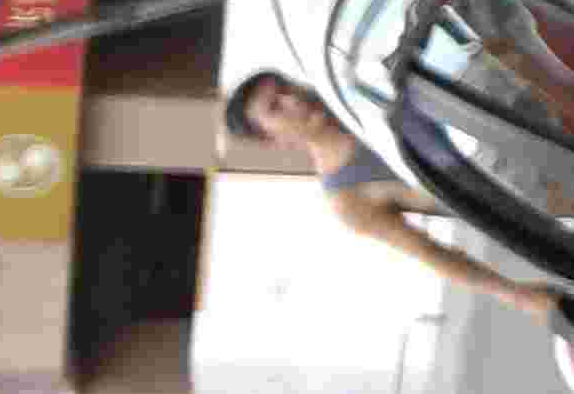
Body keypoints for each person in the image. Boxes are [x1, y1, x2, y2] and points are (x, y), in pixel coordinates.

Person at [224, 71, 544, 315]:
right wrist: (518, 295)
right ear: (272, 140)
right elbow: (432, 254)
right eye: (275, 107)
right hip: (534, 200)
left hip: (534, 116)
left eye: (285, 87)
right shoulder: (347, 197)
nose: (293, 99)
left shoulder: (364, 85)